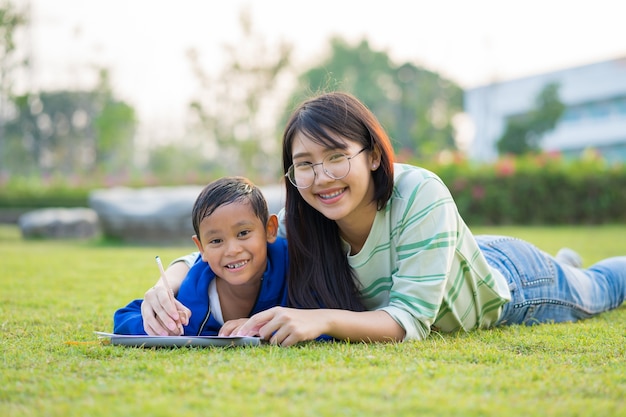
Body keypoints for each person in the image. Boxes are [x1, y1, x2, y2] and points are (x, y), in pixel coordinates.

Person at [142, 92, 626, 346]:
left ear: (373, 155)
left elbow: (409, 320)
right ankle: (567, 260)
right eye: (305, 164)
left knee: (599, 288)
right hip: (451, 254)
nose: (321, 176)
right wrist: (172, 278)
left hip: (514, 285)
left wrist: (320, 319)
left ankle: (570, 267)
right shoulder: (306, 216)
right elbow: (236, 243)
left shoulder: (420, 191)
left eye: (335, 156)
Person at [113, 176, 289, 336]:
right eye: (216, 240)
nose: (232, 250)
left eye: (243, 233)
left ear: (270, 230)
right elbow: (124, 317)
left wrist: (263, 326)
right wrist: (162, 325)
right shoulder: (191, 303)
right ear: (201, 248)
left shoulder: (290, 262)